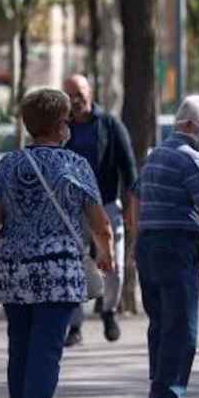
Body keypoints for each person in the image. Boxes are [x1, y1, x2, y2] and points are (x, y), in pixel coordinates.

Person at [0, 87, 115, 398]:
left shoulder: (8, 166)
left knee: (20, 351)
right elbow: (101, 224)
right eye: (66, 120)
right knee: (46, 352)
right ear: (58, 125)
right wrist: (106, 254)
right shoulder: (75, 166)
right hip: (58, 274)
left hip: (13, 275)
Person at [131, 94, 199, 398]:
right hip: (176, 246)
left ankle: (158, 383)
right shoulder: (189, 156)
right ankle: (167, 394)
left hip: (149, 244)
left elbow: (134, 194)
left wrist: (138, 232)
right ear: (190, 123)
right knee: (181, 323)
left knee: (160, 321)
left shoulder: (156, 154)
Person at [62, 74, 138, 346]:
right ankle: (74, 326)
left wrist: (131, 207)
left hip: (106, 204)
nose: (76, 99)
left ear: (90, 93)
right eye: (70, 94)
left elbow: (129, 169)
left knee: (113, 264)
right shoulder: (61, 127)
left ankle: (108, 311)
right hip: (71, 208)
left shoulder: (109, 124)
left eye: (80, 93)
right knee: (73, 265)